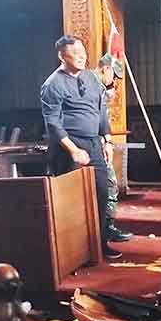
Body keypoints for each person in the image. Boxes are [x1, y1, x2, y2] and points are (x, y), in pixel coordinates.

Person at [40, 35, 122, 259]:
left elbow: (101, 109)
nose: (81, 57)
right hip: (67, 147)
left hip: (94, 144)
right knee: (70, 201)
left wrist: (107, 140)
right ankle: (71, 253)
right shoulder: (53, 84)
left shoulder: (91, 78)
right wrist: (73, 150)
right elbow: (53, 123)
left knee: (101, 193)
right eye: (75, 54)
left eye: (83, 53)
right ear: (62, 56)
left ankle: (100, 244)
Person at [92, 53, 134, 243]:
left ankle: (103, 228)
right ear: (106, 69)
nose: (114, 82)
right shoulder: (94, 86)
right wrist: (104, 141)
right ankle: (106, 228)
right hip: (94, 145)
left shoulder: (97, 86)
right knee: (109, 185)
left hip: (96, 142)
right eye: (114, 76)